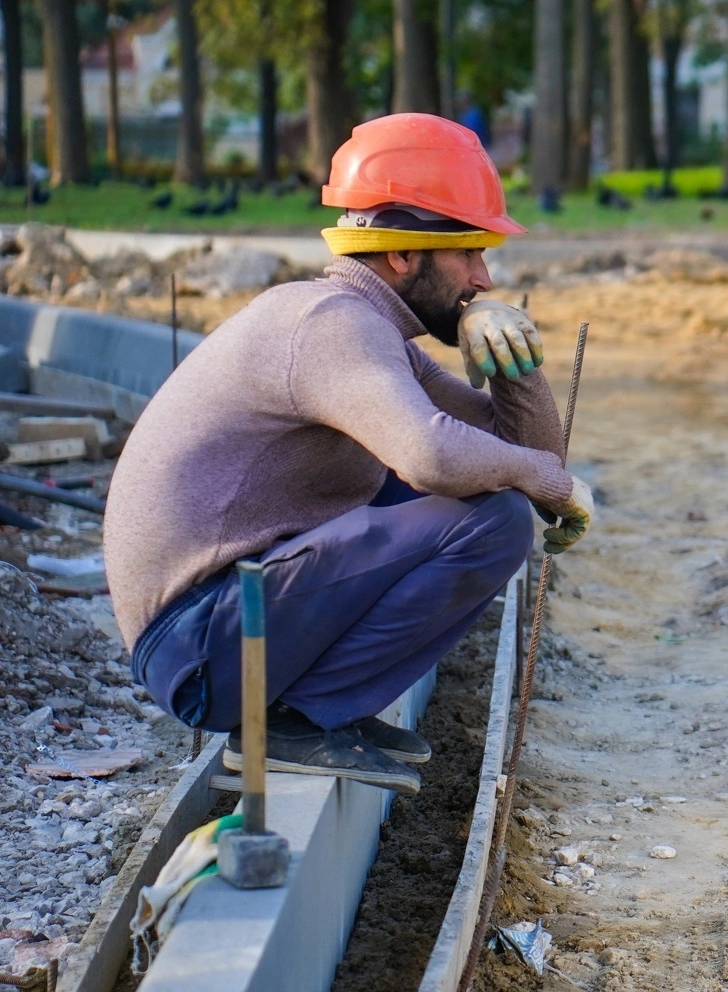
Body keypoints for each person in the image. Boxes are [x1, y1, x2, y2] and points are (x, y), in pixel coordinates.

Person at [104, 114, 593, 795]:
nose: (483, 278)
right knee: (493, 517)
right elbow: (434, 456)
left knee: (483, 489)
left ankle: (314, 713)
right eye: (469, 254)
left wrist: (515, 360)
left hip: (219, 626)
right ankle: (293, 725)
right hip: (201, 643)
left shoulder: (373, 334)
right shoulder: (332, 326)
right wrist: (547, 481)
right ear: (402, 255)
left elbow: (515, 450)